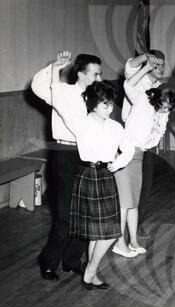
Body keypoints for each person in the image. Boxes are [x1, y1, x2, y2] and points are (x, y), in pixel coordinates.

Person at [49, 51, 135, 289]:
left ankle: (90, 271)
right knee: (105, 232)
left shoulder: (116, 127)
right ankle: (90, 272)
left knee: (104, 232)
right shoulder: (80, 124)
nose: (109, 108)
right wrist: (56, 69)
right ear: (93, 104)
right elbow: (59, 100)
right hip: (86, 176)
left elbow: (128, 149)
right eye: (105, 104)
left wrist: (115, 165)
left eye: (111, 104)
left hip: (106, 176)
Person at [31, 52, 103, 280]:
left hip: (87, 155)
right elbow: (36, 86)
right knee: (64, 216)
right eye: (95, 74)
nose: (99, 79)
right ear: (80, 74)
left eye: (100, 74)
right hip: (64, 155)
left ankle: (72, 260)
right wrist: (55, 66)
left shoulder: (96, 97)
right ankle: (47, 260)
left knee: (84, 214)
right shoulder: (62, 92)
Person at [113, 56, 175, 257]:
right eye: (165, 104)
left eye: (169, 106)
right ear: (158, 96)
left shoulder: (162, 112)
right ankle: (119, 242)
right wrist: (145, 69)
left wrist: (162, 116)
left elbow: (153, 139)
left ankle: (133, 240)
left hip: (139, 155)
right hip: (125, 153)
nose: (166, 108)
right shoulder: (141, 98)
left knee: (133, 202)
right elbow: (128, 83)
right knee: (124, 204)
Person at [122, 49, 167, 239]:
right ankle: (119, 229)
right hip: (131, 141)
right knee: (126, 188)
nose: (161, 68)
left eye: (163, 65)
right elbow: (130, 66)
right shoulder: (138, 79)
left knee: (145, 187)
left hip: (148, 144)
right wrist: (147, 59)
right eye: (157, 65)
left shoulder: (161, 87)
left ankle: (136, 226)